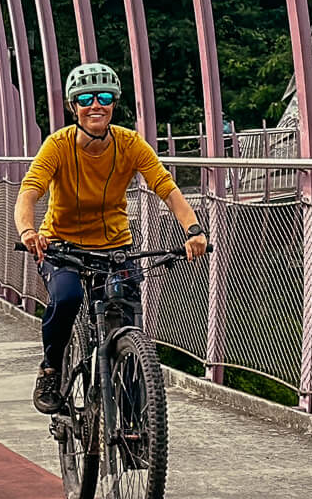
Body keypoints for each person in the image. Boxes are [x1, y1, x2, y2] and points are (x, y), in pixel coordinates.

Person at [16, 61, 209, 413]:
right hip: (62, 247)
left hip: (115, 248)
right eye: (85, 98)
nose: (96, 105)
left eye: (104, 97)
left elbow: (165, 188)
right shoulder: (57, 146)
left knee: (125, 315)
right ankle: (50, 368)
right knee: (68, 296)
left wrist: (193, 230)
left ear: (114, 103)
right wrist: (29, 231)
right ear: (73, 107)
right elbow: (30, 190)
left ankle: (136, 419)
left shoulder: (129, 144)